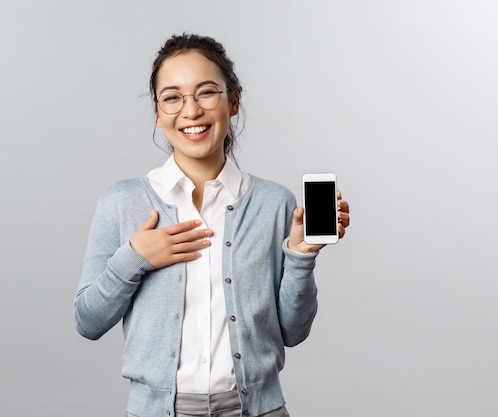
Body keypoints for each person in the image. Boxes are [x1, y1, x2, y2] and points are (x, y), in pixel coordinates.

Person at [74, 33, 350, 417]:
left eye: (206, 92)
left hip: (258, 410)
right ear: (157, 111)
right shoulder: (122, 201)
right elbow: (87, 321)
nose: (190, 111)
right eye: (172, 97)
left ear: (233, 101)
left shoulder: (274, 203)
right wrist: (135, 257)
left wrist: (301, 255)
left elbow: (293, 332)